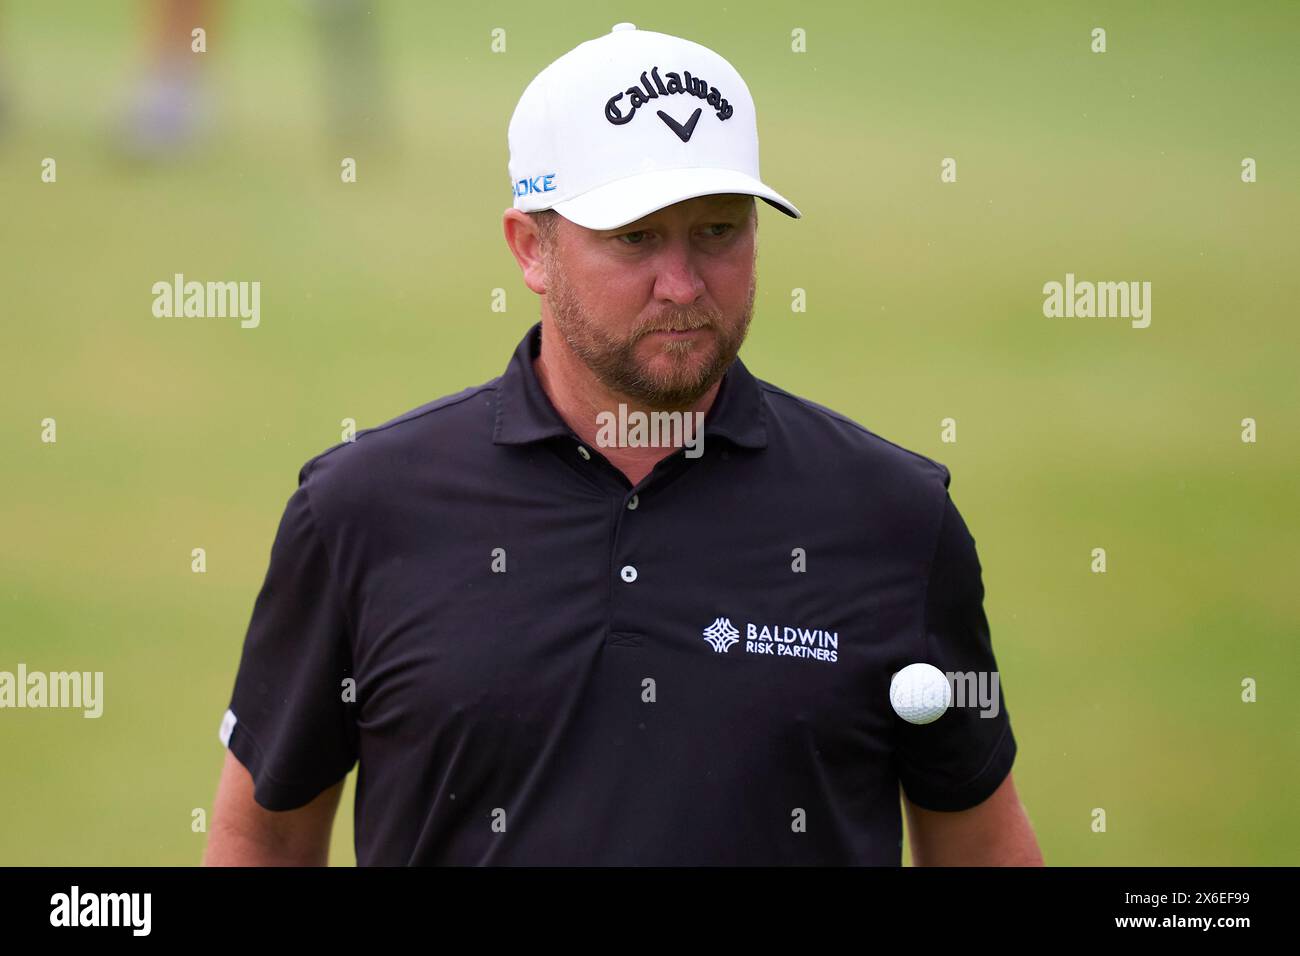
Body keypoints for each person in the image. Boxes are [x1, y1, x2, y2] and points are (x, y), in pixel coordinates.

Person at [205, 23, 1043, 866]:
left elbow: (982, 845)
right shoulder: (360, 511)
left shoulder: (893, 519)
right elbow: (264, 835)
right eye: (635, 237)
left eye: (717, 232)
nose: (682, 285)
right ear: (532, 248)